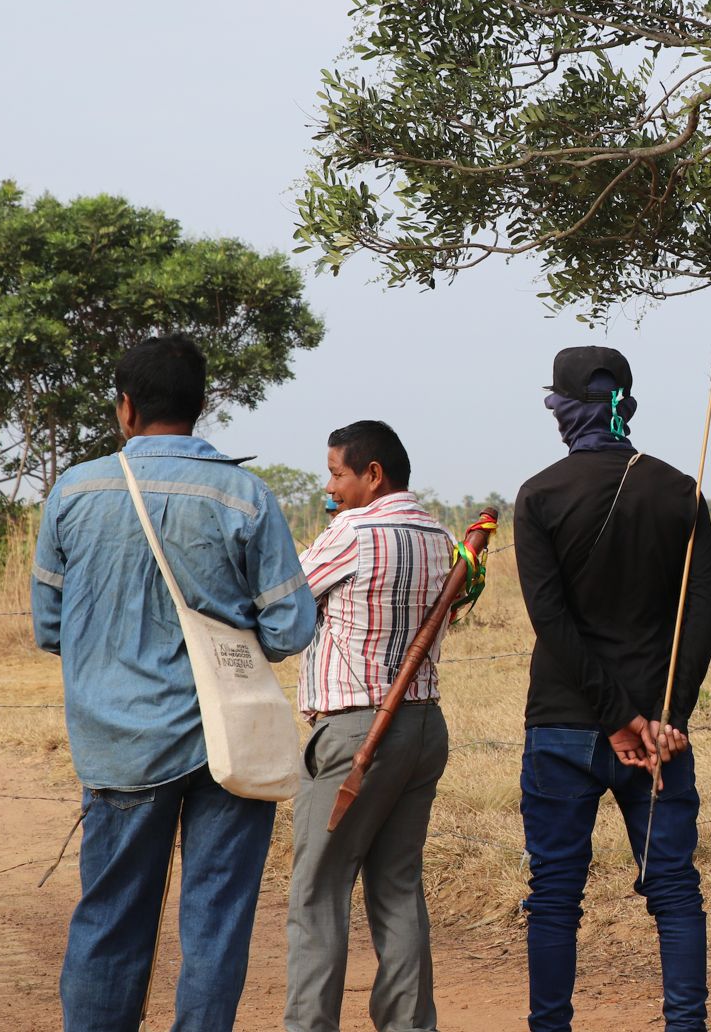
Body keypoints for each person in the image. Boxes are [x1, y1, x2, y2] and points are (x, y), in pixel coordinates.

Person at [32, 335, 316, 1032]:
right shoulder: (245, 495)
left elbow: (49, 626)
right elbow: (290, 629)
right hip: (230, 746)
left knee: (110, 917)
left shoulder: (74, 491)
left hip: (119, 744)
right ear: (201, 406)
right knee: (216, 920)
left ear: (125, 407)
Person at [514, 346, 711, 1032]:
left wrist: (614, 717)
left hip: (563, 724)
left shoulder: (539, 496)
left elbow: (551, 620)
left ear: (562, 409)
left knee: (554, 895)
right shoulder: (680, 490)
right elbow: (702, 614)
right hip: (659, 732)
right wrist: (665, 717)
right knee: (674, 889)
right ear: (624, 405)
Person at [285, 421, 455, 1031]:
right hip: (422, 726)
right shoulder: (441, 536)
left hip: (356, 732)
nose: (331, 488)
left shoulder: (351, 532)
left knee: (318, 891)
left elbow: (285, 602)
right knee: (398, 885)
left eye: (337, 474)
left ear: (373, 474)